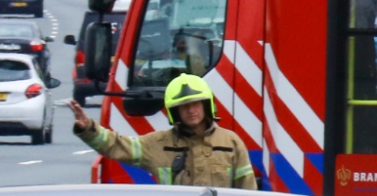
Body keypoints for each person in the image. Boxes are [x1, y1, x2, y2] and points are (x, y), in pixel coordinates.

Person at [70, 73, 256, 189]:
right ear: (175, 112)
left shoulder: (231, 142)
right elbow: (118, 145)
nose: (191, 110)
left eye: (195, 104)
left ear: (206, 105)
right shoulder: (159, 144)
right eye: (183, 106)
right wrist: (88, 129)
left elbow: (248, 193)